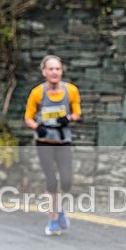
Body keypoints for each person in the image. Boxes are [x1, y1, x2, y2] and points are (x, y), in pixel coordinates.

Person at [25, 55, 81, 236]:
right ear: (44, 72)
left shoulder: (71, 90)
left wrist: (69, 118)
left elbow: (77, 113)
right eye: (51, 69)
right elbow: (28, 117)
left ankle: (59, 209)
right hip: (44, 142)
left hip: (63, 141)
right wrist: (37, 127)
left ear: (61, 71)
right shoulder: (37, 93)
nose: (55, 72)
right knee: (51, 181)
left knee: (66, 180)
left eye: (58, 69)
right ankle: (52, 220)